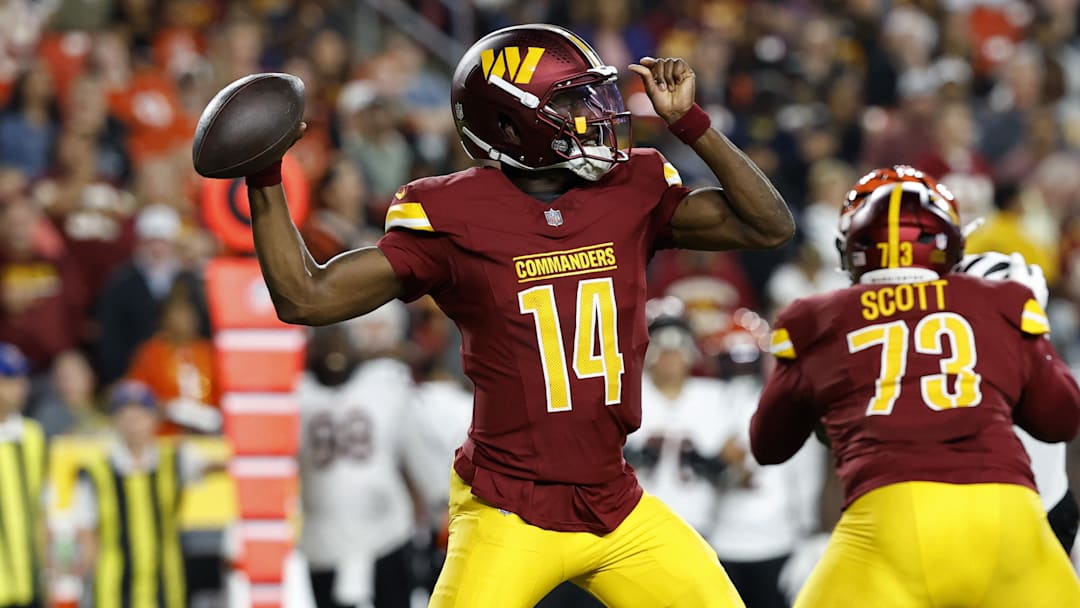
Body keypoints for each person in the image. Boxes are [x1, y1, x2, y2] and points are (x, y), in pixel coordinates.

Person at [240, 24, 793, 607]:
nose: (595, 114)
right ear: (509, 123)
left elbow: (769, 225)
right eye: (573, 102)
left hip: (614, 502)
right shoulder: (455, 213)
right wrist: (265, 176)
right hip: (508, 509)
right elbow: (306, 296)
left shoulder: (630, 188)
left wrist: (691, 124)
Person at [750, 180, 1080, 606]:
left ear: (852, 249)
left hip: (888, 520)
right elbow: (1062, 419)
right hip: (1007, 516)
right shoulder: (1002, 296)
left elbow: (768, 444)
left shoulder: (815, 316)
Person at [297, 303, 420, 608]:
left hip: (384, 528)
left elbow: (409, 449)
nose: (334, 350)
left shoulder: (385, 380)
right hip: (325, 535)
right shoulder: (297, 393)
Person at [71, 380, 216, 608]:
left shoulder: (176, 459)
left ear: (154, 419)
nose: (134, 424)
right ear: (115, 420)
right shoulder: (96, 472)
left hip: (165, 585)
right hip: (113, 589)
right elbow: (86, 534)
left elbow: (224, 459)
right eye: (126, 416)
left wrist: (186, 414)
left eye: (140, 416)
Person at [94, 204, 209, 385]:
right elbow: (111, 338)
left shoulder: (189, 282)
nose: (157, 249)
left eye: (162, 241)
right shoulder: (121, 284)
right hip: (134, 378)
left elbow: (205, 330)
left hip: (189, 375)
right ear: (140, 242)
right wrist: (120, 379)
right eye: (150, 241)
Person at [0, 343, 46, 608]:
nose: (21, 386)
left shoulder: (33, 435)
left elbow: (46, 503)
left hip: (31, 581)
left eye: (22, 377)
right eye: (10, 378)